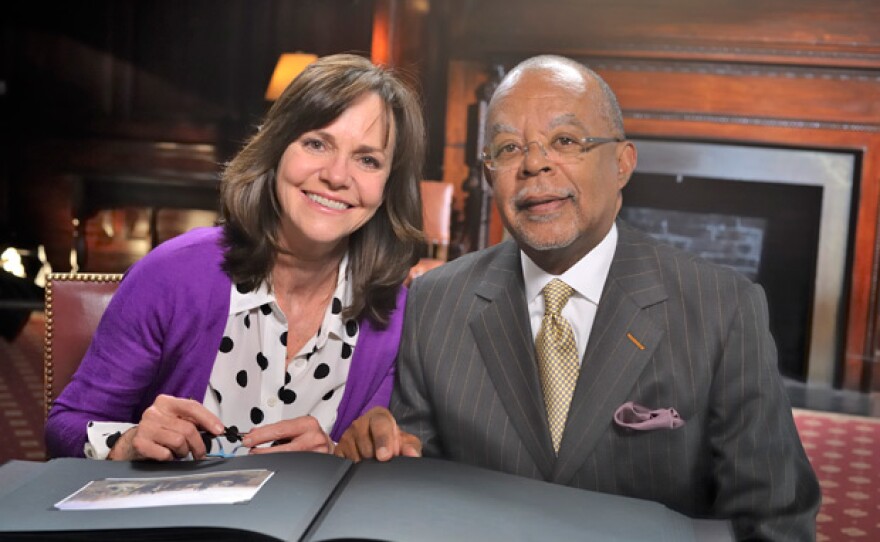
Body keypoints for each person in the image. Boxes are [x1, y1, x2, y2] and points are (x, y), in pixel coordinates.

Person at [336, 55, 820, 539]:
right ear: (489, 175)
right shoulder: (435, 301)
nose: (533, 163)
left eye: (565, 141)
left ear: (623, 163)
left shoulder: (723, 307)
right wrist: (382, 450)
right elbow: (413, 486)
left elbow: (775, 519)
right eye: (507, 148)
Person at [45, 53, 426, 462]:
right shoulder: (171, 275)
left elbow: (376, 464)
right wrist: (126, 441)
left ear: (388, 186)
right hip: (168, 521)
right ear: (277, 148)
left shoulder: (397, 317)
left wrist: (336, 457)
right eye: (317, 143)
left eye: (367, 159)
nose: (337, 176)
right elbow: (64, 427)